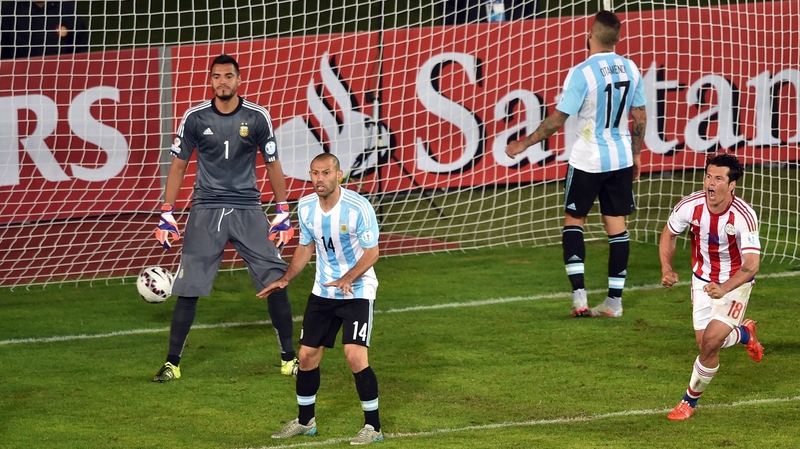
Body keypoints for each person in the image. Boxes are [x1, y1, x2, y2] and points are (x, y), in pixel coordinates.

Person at [151, 54, 298, 382]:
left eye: (228, 76)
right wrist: (166, 212)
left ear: (239, 79)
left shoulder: (258, 117)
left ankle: (290, 359)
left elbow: (273, 165)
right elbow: (178, 166)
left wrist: (283, 211)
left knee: (275, 281)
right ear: (211, 80)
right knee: (188, 288)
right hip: (205, 210)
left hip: (248, 208)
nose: (222, 82)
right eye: (216, 76)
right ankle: (172, 363)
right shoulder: (194, 118)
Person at [505, 10, 647, 318]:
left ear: (590, 35)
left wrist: (524, 143)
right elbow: (640, 116)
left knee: (574, 222)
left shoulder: (582, 72)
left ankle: (580, 298)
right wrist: (636, 154)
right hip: (620, 156)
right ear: (617, 38)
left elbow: (558, 118)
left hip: (588, 158)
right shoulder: (631, 68)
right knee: (617, 229)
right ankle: (614, 302)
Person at [259, 153, 384, 445]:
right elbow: (305, 246)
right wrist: (286, 278)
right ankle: (305, 422)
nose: (319, 179)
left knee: (354, 356)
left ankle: (374, 427)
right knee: (305, 357)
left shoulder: (358, 207)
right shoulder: (305, 206)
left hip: (357, 290)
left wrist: (348, 278)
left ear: (338, 175)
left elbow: (372, 252)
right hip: (323, 291)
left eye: (326, 173)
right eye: (314, 173)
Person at [659, 153, 763, 420]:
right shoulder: (689, 206)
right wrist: (667, 268)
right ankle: (744, 334)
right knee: (704, 345)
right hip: (702, 281)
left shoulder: (744, 216)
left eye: (718, 178)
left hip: (736, 283)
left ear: (731, 185)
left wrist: (725, 287)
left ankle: (688, 402)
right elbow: (670, 233)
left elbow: (751, 264)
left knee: (710, 343)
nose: (710, 184)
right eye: (708, 176)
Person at [1, 1, 89, 60]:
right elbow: (3, 51)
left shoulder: (67, 10)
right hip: (22, 76)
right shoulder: (11, 13)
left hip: (60, 74)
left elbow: (81, 47)